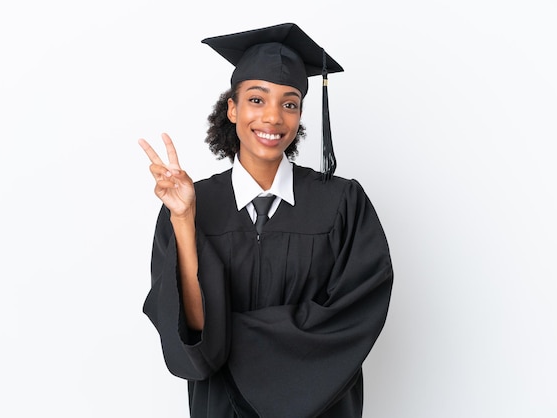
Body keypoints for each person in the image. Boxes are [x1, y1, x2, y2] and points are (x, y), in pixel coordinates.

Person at [139, 23, 393, 418]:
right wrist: (186, 221)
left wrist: (227, 332)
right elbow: (190, 332)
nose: (273, 117)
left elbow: (354, 316)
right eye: (257, 100)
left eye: (289, 104)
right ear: (232, 108)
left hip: (322, 409)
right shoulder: (191, 203)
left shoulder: (342, 202)